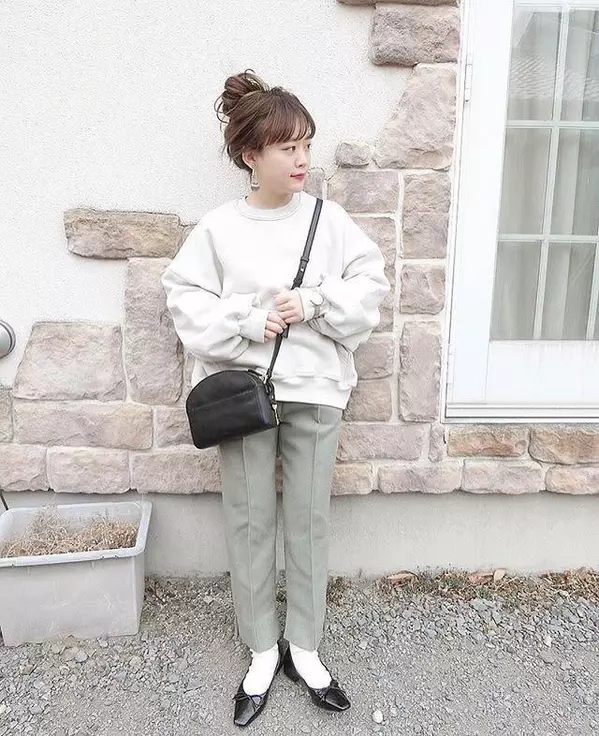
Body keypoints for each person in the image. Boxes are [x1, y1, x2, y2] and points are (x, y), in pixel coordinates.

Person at [160, 69, 390, 728]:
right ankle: (262, 649)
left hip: (316, 389)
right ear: (249, 155)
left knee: (308, 520)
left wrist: (314, 302)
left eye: (306, 144)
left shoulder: (328, 220)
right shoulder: (218, 228)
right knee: (250, 519)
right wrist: (245, 319)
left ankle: (305, 647)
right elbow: (184, 297)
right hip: (244, 396)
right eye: (288, 147)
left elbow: (370, 286)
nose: (301, 159)